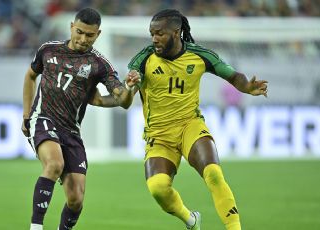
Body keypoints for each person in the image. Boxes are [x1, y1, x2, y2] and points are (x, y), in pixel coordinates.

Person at [95, 9, 268, 230]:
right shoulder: (143, 59)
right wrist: (129, 86)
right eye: (152, 33)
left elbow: (233, 75)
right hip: (159, 135)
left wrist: (247, 87)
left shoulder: (199, 55)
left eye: (160, 33)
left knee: (213, 173)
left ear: (176, 33)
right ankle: (190, 220)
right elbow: (126, 103)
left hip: (190, 126)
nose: (154, 39)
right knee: (158, 188)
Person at [21, 8, 140, 230]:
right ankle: (35, 226)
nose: (83, 39)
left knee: (76, 199)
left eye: (89, 35)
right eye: (80, 32)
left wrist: (130, 89)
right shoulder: (48, 51)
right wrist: (27, 114)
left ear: (98, 34)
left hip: (71, 131)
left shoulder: (99, 65)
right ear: (71, 27)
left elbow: (121, 101)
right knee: (54, 163)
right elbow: (30, 75)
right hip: (43, 118)